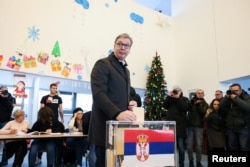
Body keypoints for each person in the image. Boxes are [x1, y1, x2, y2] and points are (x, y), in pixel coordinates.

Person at [88, 33, 137, 167]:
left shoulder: (126, 70)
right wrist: (117, 114)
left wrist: (130, 102)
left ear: (129, 49)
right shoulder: (103, 64)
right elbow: (99, 94)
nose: (122, 47)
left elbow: (123, 94)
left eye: (126, 45)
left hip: (121, 129)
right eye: (120, 44)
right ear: (114, 46)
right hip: (105, 128)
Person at [163, 86, 190, 167]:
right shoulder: (170, 98)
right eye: (175, 90)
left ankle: (181, 163)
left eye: (178, 90)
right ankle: (170, 163)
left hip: (180, 127)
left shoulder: (184, 99)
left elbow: (184, 108)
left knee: (181, 148)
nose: (176, 91)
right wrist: (169, 96)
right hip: (170, 126)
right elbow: (164, 106)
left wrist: (178, 98)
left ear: (181, 91)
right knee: (169, 147)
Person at [37, 83, 64, 164]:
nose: (55, 89)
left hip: (55, 120)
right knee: (42, 137)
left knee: (55, 138)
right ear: (50, 88)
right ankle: (39, 157)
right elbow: (41, 109)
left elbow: (61, 110)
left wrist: (62, 119)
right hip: (45, 120)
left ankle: (56, 158)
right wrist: (40, 120)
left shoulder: (59, 98)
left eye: (56, 88)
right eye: (53, 88)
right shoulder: (44, 98)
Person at [219, 83, 250, 151]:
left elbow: (248, 108)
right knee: (232, 147)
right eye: (232, 90)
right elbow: (221, 107)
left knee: (244, 147)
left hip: (243, 127)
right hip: (231, 128)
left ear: (241, 90)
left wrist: (236, 98)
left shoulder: (247, 97)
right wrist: (226, 97)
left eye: (236, 90)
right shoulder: (228, 98)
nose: (234, 92)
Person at [186, 89, 209, 167]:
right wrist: (192, 102)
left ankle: (198, 161)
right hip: (189, 126)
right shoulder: (192, 102)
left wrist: (199, 105)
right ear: (196, 94)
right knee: (189, 145)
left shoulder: (205, 104)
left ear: (204, 94)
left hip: (199, 127)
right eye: (198, 93)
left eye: (201, 93)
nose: (200, 94)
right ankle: (191, 160)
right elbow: (187, 108)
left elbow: (203, 112)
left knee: (198, 145)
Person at [0, 85, 14, 166]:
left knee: (5, 143)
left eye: (6, 90)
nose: (5, 92)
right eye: (3, 90)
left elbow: (10, 108)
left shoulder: (10, 97)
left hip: (5, 122)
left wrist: (4, 98)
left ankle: (4, 161)